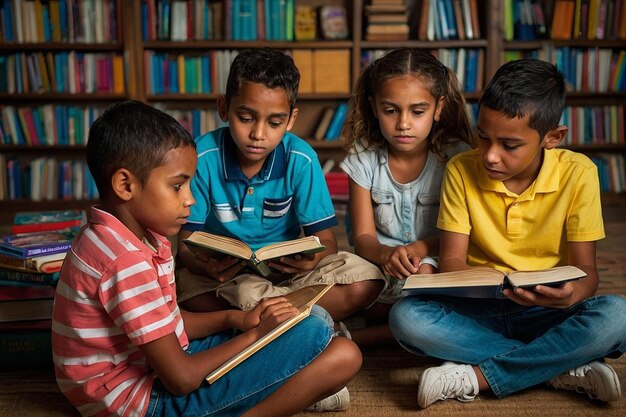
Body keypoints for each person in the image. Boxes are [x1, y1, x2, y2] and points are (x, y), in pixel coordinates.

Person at [51, 100, 362, 417]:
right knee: (338, 351)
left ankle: (279, 389)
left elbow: (169, 324)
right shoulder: (124, 260)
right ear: (125, 185)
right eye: (177, 186)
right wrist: (257, 334)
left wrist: (238, 320)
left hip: (151, 368)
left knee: (319, 323)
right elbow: (181, 379)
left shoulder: (125, 236)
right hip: (139, 401)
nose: (191, 199)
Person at [388, 59, 626, 408]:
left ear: (552, 138)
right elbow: (453, 261)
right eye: (482, 137)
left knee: (618, 315)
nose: (490, 156)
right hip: (478, 308)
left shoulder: (579, 174)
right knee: (406, 318)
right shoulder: (461, 170)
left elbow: (587, 275)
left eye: (509, 145)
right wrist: (439, 276)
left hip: (547, 311)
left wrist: (569, 294)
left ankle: (477, 377)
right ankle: (562, 365)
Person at [175, 48, 385, 326]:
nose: (258, 134)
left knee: (366, 280)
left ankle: (263, 318)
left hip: (288, 276)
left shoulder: (301, 158)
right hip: (227, 279)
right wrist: (207, 266)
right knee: (186, 291)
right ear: (224, 108)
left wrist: (310, 261)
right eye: (246, 118)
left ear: (291, 119)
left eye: (274, 122)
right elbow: (186, 245)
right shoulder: (202, 156)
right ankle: (295, 317)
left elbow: (327, 241)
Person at [339, 48, 474, 344]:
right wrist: (386, 255)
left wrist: (420, 247)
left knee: (426, 273)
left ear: (438, 108)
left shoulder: (458, 158)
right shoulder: (363, 156)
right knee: (352, 283)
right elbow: (363, 238)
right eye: (390, 110)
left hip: (434, 262)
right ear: (374, 107)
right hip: (379, 263)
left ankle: (364, 337)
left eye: (417, 111)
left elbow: (466, 236)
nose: (403, 123)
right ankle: (404, 325)